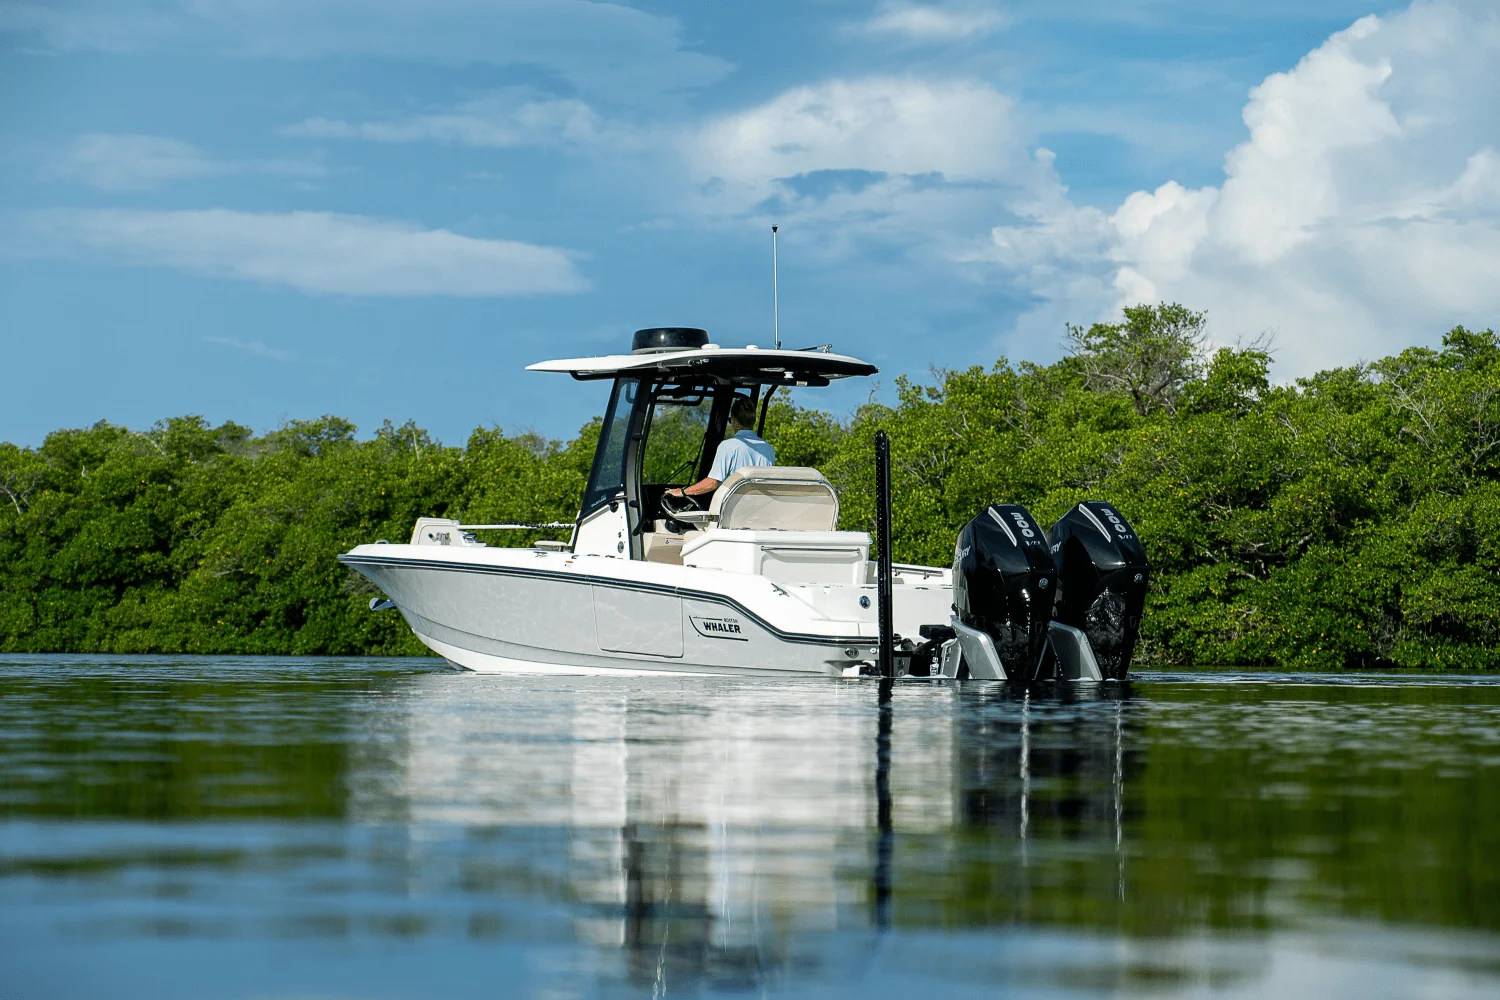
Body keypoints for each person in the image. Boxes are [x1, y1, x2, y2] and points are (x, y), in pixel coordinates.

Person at [665, 395, 774, 501]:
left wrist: (683, 492)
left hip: (732, 513)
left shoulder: (728, 446)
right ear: (753, 421)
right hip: (757, 512)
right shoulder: (769, 449)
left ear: (734, 420)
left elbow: (712, 483)